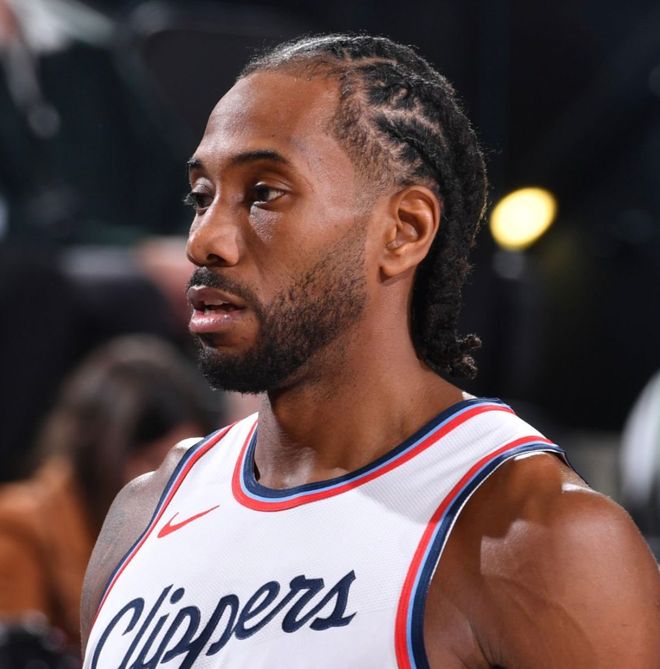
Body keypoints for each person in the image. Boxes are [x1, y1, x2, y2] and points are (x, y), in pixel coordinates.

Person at [81, 34, 660, 668]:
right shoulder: (145, 511)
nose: (203, 241)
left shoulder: (540, 539)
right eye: (201, 197)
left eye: (264, 193)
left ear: (404, 231)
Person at [0, 335, 219, 649]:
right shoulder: (19, 528)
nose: (170, 480)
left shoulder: (195, 527)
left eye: (183, 461)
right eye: (151, 460)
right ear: (98, 454)